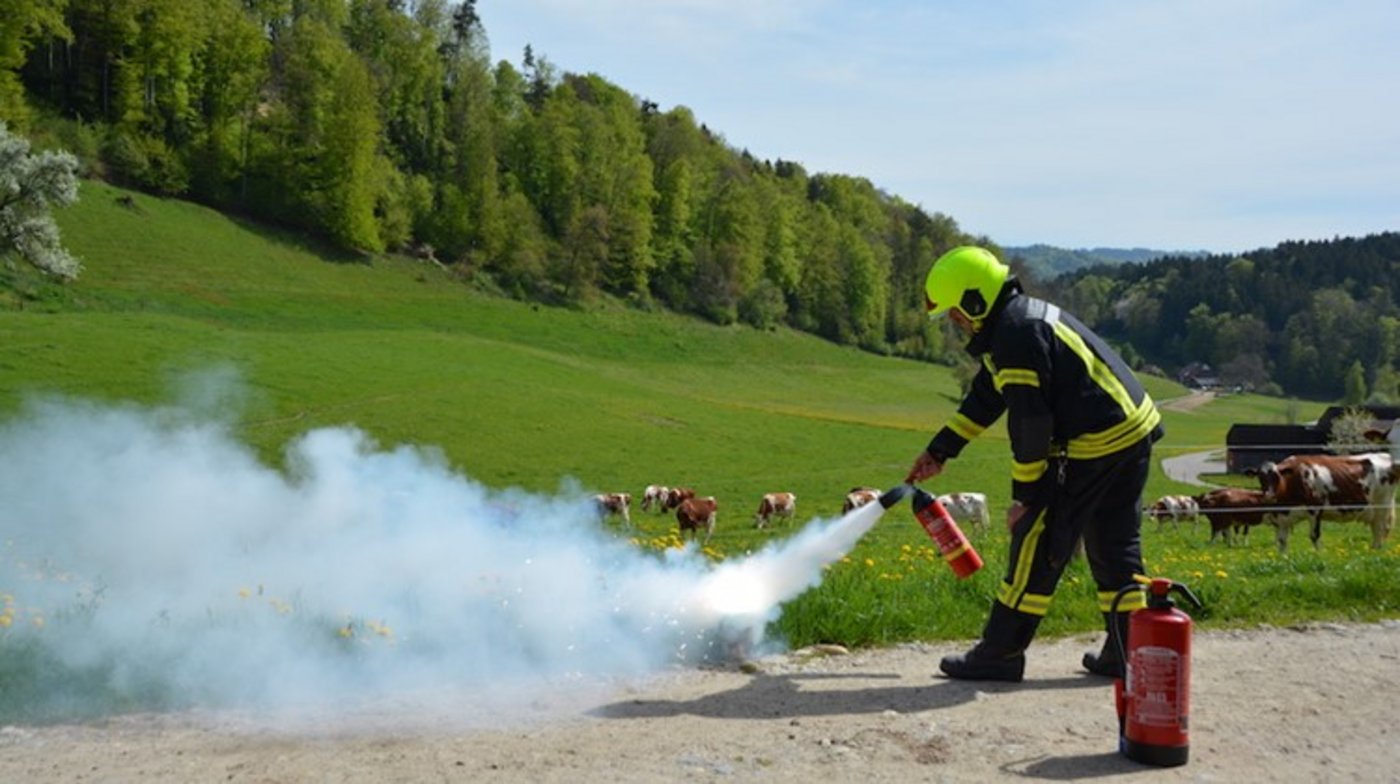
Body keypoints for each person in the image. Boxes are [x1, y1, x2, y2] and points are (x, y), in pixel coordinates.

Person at [905, 246, 1162, 682]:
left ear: (975, 300)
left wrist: (1027, 498)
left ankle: (1001, 652)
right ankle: (1126, 651)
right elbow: (988, 395)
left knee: (1036, 541)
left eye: (955, 314)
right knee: (1115, 545)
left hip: (1097, 439)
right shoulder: (1015, 322)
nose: (955, 323)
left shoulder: (1015, 335)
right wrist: (940, 450)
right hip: (1132, 430)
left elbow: (1030, 425)